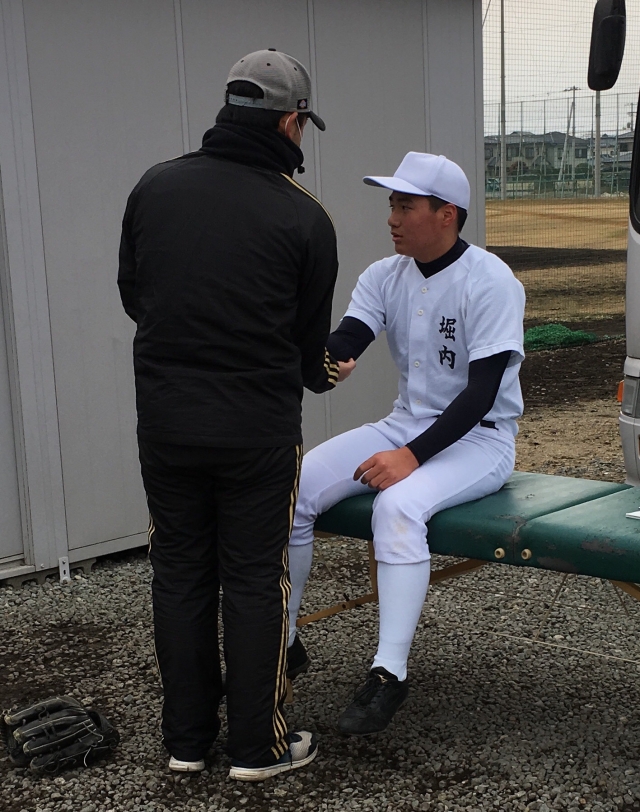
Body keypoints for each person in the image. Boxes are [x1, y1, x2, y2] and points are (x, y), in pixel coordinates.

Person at [118, 49, 353, 780]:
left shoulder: (155, 187)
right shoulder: (304, 215)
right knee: (253, 580)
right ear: (288, 122)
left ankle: (187, 743)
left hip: (167, 423)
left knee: (179, 573)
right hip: (256, 433)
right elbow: (308, 349)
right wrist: (328, 373)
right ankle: (257, 747)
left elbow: (135, 298)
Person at [287, 152, 525, 736]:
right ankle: (283, 642)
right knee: (293, 488)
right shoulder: (384, 275)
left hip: (481, 439)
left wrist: (411, 458)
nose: (392, 217)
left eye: (406, 205)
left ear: (447, 214)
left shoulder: (491, 279)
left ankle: (388, 672)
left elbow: (481, 393)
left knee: (397, 506)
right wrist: (323, 362)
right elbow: (346, 340)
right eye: (391, 204)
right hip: (405, 425)